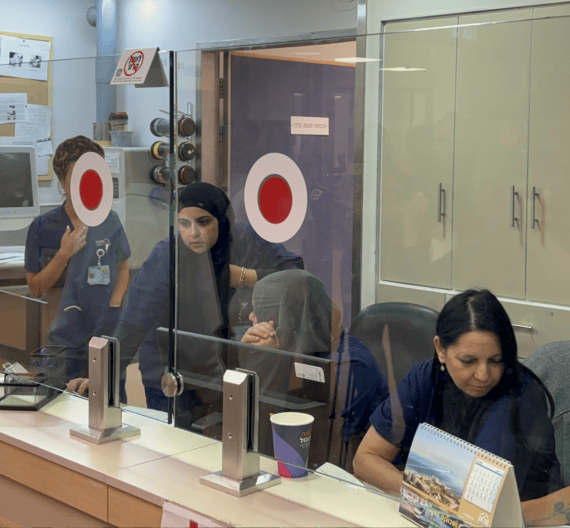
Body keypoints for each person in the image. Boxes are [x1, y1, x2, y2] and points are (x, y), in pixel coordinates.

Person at [107, 182, 304, 415]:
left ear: (222, 220)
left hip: (224, 372)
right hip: (170, 375)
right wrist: (102, 378)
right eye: (184, 224)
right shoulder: (167, 256)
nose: (193, 233)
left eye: (203, 222)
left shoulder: (242, 239)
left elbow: (295, 273)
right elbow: (132, 324)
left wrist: (245, 276)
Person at [353, 289, 563, 502]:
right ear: (440, 349)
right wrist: (419, 492)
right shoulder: (424, 377)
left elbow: (475, 499)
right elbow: (365, 458)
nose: (483, 375)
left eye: (496, 360)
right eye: (468, 361)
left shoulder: (519, 396)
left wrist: (419, 491)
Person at [241, 269, 388, 471]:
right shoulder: (294, 351)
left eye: (260, 310)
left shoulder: (349, 365)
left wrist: (274, 362)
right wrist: (258, 361)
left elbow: (306, 445)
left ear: (290, 319)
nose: (251, 316)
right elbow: (245, 429)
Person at [24, 136, 130, 384]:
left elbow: (123, 267)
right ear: (62, 182)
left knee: (109, 403)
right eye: (79, 177)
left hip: (106, 335)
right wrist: (63, 255)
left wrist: (114, 304)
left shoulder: (110, 221)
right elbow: (36, 287)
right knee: (60, 405)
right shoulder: (43, 226)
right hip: (64, 342)